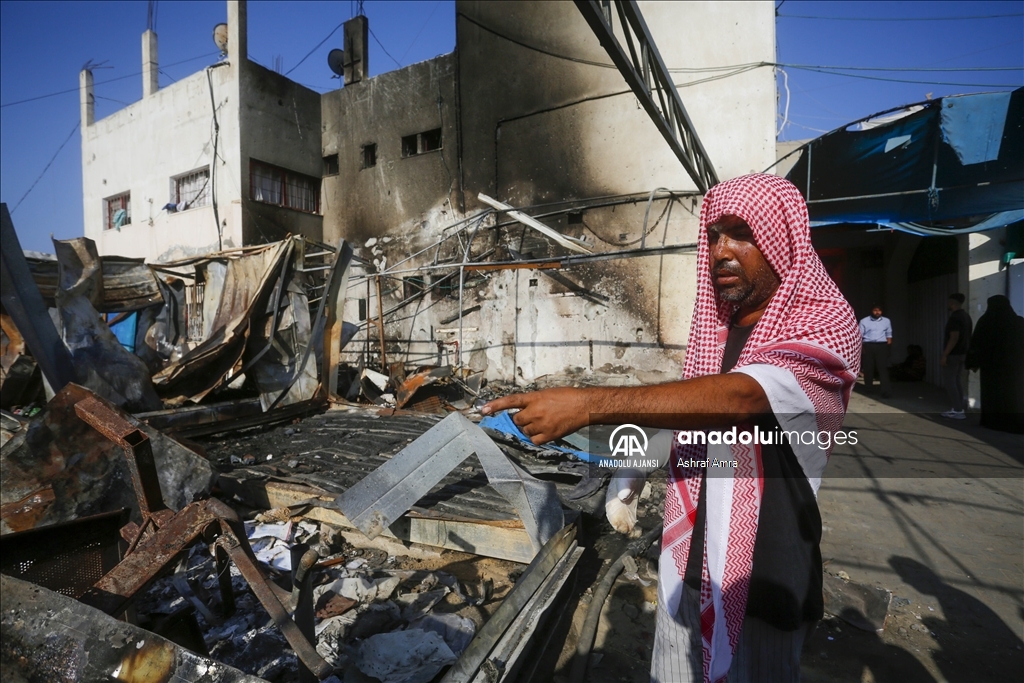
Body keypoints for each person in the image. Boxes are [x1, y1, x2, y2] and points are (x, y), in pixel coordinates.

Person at [482, 174, 860, 682]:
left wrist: (589, 405)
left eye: (740, 233)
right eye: (713, 237)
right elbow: (693, 421)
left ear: (781, 239)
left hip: (766, 576)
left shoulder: (824, 325)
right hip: (688, 563)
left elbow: (742, 399)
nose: (721, 251)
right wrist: (629, 474)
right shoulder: (722, 330)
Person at [966, 295, 1024, 433]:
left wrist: (973, 363)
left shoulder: (986, 322)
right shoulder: (1018, 322)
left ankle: (993, 422)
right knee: (1014, 394)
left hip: (991, 368)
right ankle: (1015, 422)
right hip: (1015, 368)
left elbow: (976, 344)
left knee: (992, 394)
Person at [941, 293, 972, 419]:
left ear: (952, 303)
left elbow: (954, 338)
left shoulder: (955, 318)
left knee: (950, 382)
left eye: (949, 302)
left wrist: (945, 355)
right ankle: (959, 407)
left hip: (953, 354)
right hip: (963, 353)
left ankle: (958, 410)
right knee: (957, 380)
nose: (947, 305)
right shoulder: (966, 316)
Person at [859, 305, 892, 397]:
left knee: (883, 369)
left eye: (879, 310)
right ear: (871, 311)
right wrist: (862, 348)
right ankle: (868, 389)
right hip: (868, 345)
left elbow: (889, 334)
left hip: (882, 346)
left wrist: (888, 347)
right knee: (868, 368)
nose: (877, 312)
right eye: (875, 310)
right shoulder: (864, 321)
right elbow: (860, 336)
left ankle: (886, 391)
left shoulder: (886, 321)